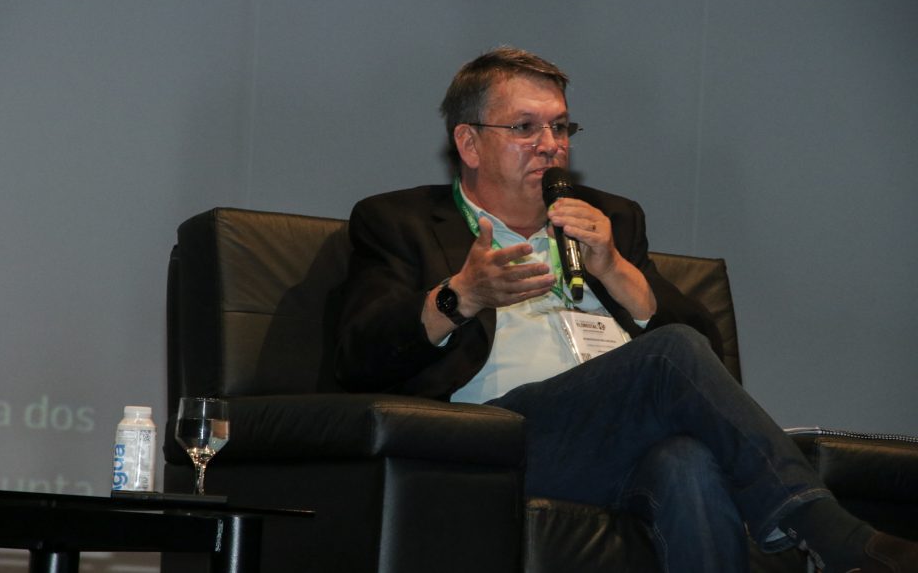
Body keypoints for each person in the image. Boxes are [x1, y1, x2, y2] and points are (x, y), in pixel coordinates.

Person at [334, 46, 918, 572]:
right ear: (468, 143)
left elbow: (709, 359)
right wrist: (461, 295)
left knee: (687, 461)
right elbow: (359, 354)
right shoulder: (400, 221)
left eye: (561, 126)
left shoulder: (611, 218)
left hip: (612, 445)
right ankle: (833, 535)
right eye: (525, 127)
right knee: (666, 357)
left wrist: (614, 266)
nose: (550, 144)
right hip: (498, 441)